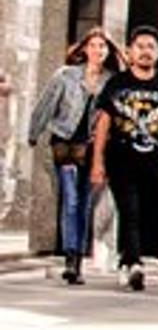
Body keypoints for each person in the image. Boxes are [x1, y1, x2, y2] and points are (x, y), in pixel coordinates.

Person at [28, 28, 122, 284]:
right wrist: (34, 132)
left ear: (108, 51)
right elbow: (46, 104)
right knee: (69, 199)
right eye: (93, 45)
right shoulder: (65, 76)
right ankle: (71, 257)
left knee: (84, 203)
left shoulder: (112, 81)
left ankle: (78, 258)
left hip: (93, 149)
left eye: (103, 46)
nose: (98, 50)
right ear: (84, 49)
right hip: (65, 143)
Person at [90, 26, 158, 291]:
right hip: (121, 159)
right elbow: (104, 123)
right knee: (128, 209)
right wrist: (97, 162)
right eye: (140, 46)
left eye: (151, 47)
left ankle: (127, 259)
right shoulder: (118, 84)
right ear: (130, 52)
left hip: (154, 161)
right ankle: (133, 263)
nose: (145, 52)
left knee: (146, 212)